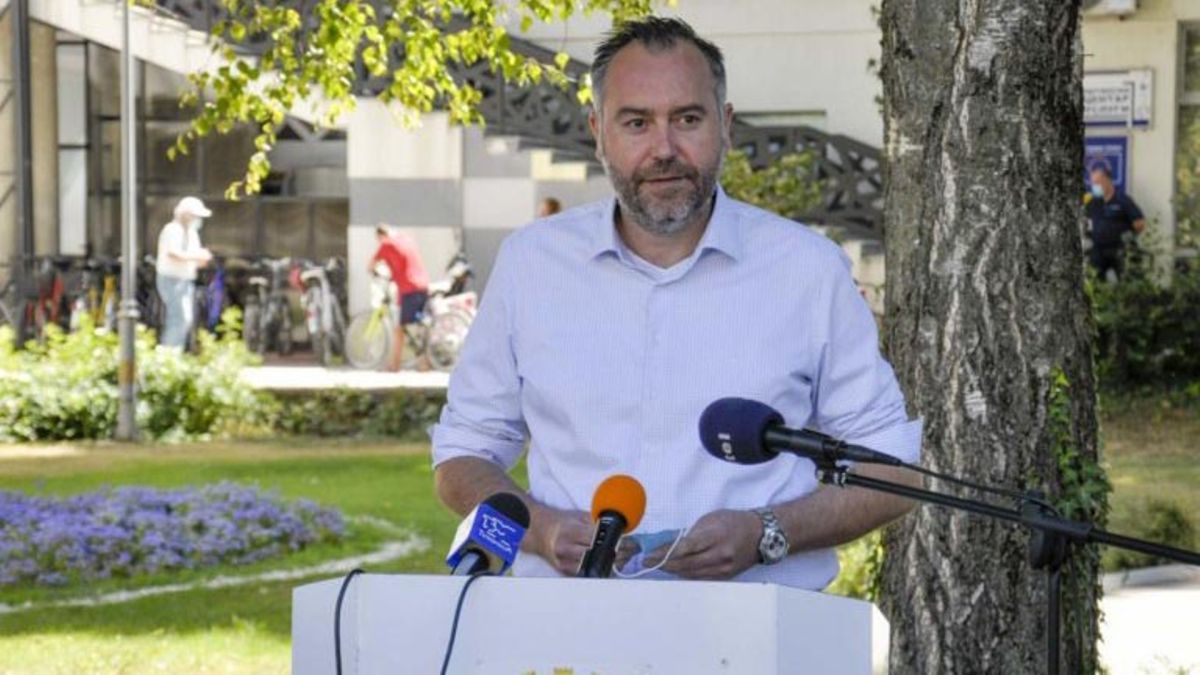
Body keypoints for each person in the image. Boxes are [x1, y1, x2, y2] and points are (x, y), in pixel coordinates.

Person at [431, 17, 921, 589]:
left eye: (687, 119)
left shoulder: (808, 270)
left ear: (725, 126)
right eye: (636, 122)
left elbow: (892, 468)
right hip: (568, 624)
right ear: (598, 132)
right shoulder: (531, 265)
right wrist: (541, 531)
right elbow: (463, 454)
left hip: (755, 626)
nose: (663, 149)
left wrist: (767, 532)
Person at [369, 225, 430, 371]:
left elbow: (371, 265)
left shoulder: (386, 244)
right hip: (422, 286)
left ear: (381, 236)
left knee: (401, 328)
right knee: (412, 325)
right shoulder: (405, 239)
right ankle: (411, 363)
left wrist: (375, 272)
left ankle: (400, 365)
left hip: (410, 288)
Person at [155, 196, 213, 349]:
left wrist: (202, 259)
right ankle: (169, 352)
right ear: (185, 214)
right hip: (172, 279)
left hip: (186, 280)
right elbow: (174, 253)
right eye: (195, 215)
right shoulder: (172, 230)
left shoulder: (192, 233)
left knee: (184, 318)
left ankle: (174, 350)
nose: (198, 219)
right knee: (179, 318)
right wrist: (197, 256)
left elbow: (194, 258)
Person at [1085, 164, 1146, 281]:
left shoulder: (1123, 200)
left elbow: (1140, 223)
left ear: (1107, 181)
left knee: (1128, 281)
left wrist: (1128, 237)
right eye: (1093, 183)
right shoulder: (1093, 203)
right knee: (1094, 283)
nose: (1094, 186)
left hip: (1120, 249)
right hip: (1098, 250)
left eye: (1097, 182)